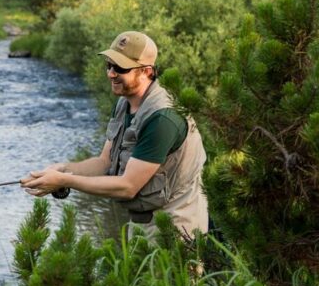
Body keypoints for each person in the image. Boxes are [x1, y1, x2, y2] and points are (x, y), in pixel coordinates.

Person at [20, 31, 208, 239]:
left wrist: (64, 180)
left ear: (146, 71)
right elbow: (104, 162)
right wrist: (63, 170)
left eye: (120, 68)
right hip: (141, 223)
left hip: (176, 230)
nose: (110, 73)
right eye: (109, 65)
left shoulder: (162, 118)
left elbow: (127, 186)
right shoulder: (124, 103)